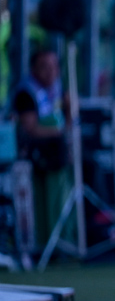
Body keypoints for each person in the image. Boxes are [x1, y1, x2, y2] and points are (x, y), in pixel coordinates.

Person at [11, 49, 72, 248]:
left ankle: (66, 240)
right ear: (34, 69)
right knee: (43, 203)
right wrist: (60, 131)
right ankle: (46, 244)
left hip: (58, 154)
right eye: (44, 67)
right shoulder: (26, 92)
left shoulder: (58, 89)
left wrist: (71, 108)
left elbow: (69, 123)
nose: (51, 72)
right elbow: (31, 128)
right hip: (33, 157)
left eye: (54, 66)